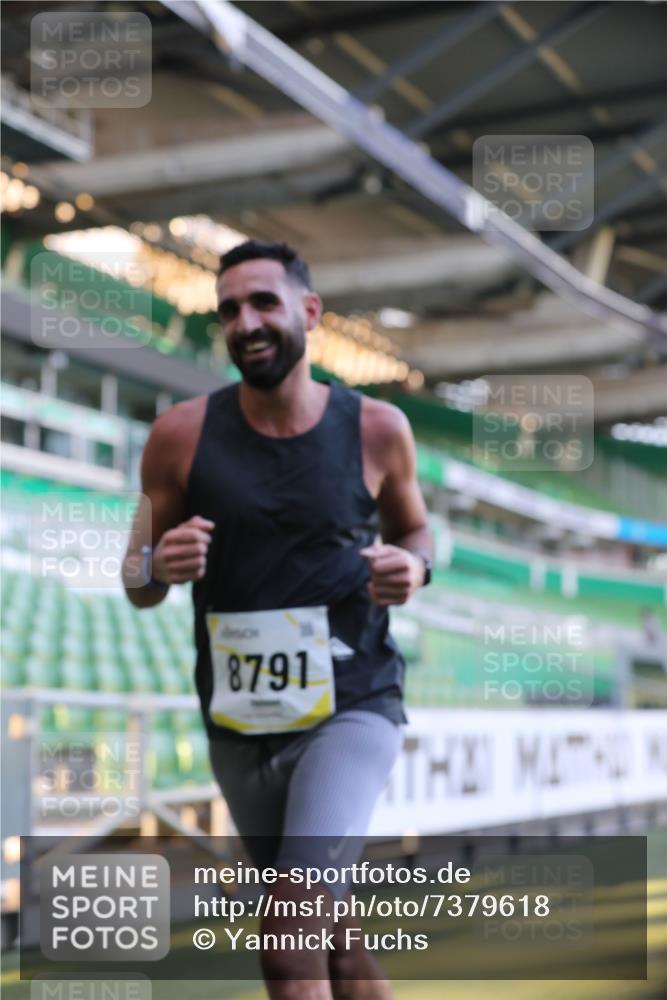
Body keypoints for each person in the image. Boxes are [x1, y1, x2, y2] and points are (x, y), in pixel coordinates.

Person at [123, 240, 433, 999]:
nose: (245, 321)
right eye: (229, 308)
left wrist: (414, 567)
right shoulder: (178, 436)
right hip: (239, 724)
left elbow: (415, 532)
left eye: (263, 301)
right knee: (335, 942)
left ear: (310, 312)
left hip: (351, 709)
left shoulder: (377, 429)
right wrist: (157, 566)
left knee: (289, 946)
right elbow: (133, 577)